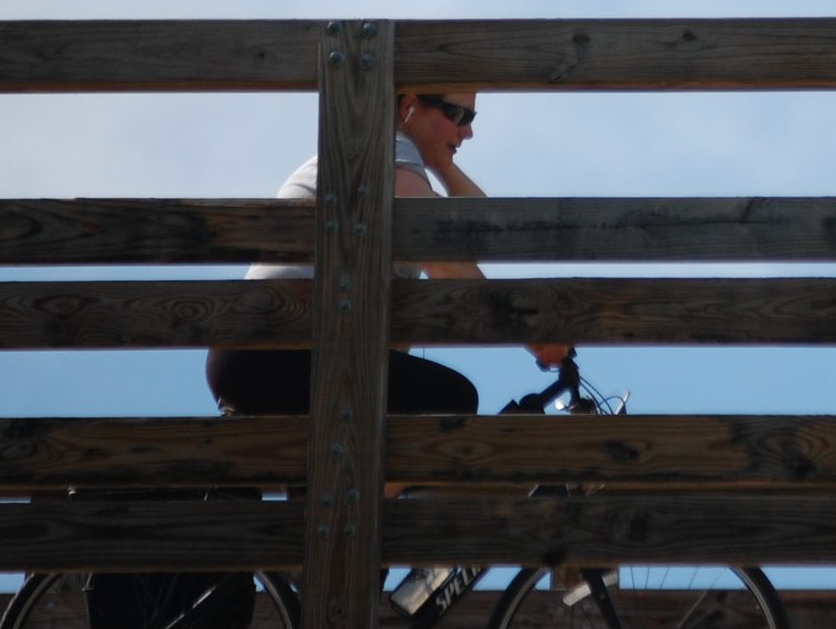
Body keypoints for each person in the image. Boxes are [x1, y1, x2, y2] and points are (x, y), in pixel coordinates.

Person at [205, 92, 568, 417]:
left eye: (471, 119)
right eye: (459, 116)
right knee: (447, 404)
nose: (468, 132)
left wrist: (442, 163)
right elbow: (441, 257)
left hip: (261, 354)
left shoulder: (385, 160)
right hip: (285, 351)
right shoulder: (385, 146)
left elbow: (478, 233)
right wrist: (528, 331)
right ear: (409, 106)